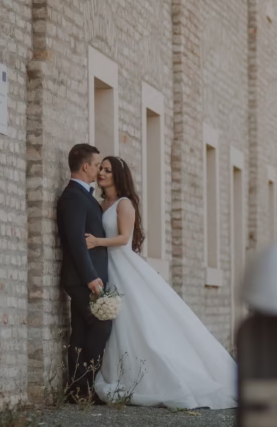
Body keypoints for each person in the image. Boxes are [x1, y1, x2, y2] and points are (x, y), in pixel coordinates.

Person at [85, 156, 236, 409]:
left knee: (137, 320)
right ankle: (121, 373)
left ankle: (157, 379)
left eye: (107, 170)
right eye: (100, 168)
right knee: (119, 324)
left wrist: (97, 242)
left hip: (123, 265)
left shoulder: (124, 204)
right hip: (107, 267)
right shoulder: (101, 205)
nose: (101, 172)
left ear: (118, 176)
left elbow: (123, 238)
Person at [56, 143, 113, 399]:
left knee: (80, 331)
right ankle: (84, 385)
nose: (99, 169)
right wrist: (91, 277)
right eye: (97, 164)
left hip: (85, 277)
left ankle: (78, 390)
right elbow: (77, 242)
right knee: (102, 324)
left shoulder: (85, 196)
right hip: (81, 278)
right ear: (86, 166)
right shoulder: (72, 197)